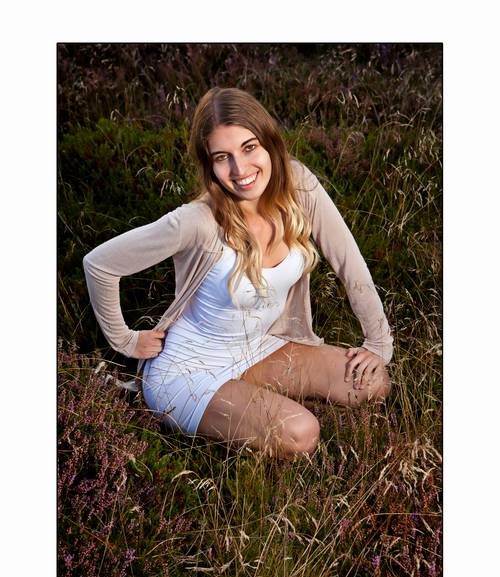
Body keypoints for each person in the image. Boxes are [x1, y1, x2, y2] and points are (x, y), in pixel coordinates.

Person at [83, 87, 393, 460]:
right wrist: (126, 340)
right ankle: (178, 404)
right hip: (189, 370)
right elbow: (99, 264)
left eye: (249, 148)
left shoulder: (299, 186)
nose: (240, 170)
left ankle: (244, 393)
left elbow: (349, 263)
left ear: (269, 143)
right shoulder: (197, 221)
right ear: (209, 165)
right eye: (222, 157)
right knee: (300, 434)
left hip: (260, 348)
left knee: (373, 383)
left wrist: (378, 342)